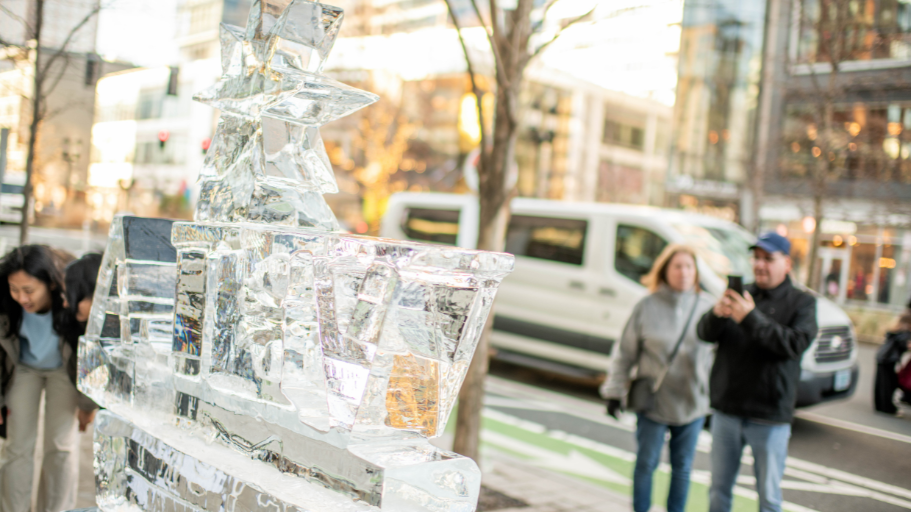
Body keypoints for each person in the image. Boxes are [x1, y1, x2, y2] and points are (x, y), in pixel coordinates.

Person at [697, 232, 817, 512]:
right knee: (718, 491)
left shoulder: (802, 302)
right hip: (727, 411)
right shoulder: (742, 293)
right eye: (756, 258)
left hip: (769, 416)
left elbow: (794, 344)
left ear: (787, 263)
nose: (760, 264)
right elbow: (704, 334)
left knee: (768, 498)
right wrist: (717, 314)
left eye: (768, 259)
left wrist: (750, 318)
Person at [601, 244, 714, 512]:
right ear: (664, 271)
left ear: (696, 272)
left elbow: (719, 358)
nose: (684, 272)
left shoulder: (709, 308)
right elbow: (625, 352)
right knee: (646, 463)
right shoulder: (646, 305)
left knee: (682, 467)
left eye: (689, 266)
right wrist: (614, 392)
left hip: (692, 402)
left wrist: (715, 400)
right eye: (677, 266)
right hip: (653, 401)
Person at [0, 245, 98, 512]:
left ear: (51, 284)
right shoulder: (5, 303)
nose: (21, 297)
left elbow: (88, 352)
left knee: (61, 446)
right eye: (14, 289)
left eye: (29, 290)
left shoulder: (72, 297)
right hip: (22, 368)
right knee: (17, 445)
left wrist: (87, 404)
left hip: (63, 371)